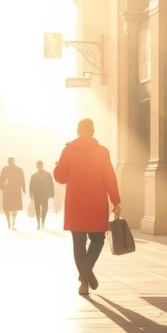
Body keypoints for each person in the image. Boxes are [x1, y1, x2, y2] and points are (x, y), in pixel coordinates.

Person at [54, 118, 121, 296]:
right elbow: (109, 178)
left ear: (78, 131)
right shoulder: (102, 152)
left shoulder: (68, 151)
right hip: (96, 201)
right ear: (92, 131)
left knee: (78, 241)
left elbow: (60, 178)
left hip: (75, 202)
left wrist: (57, 167)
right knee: (98, 239)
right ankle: (86, 275)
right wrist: (116, 200)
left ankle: (85, 279)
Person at [0, 157, 26, 229]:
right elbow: (22, 180)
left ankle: (8, 222)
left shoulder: (5, 169)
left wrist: (1, 186)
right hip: (16, 190)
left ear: (8, 162)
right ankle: (13, 219)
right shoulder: (19, 170)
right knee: (15, 206)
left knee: (7, 207)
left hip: (7, 190)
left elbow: (2, 179)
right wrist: (23, 188)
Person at [29, 160, 54, 229]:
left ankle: (39, 222)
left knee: (38, 209)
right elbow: (51, 184)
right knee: (44, 209)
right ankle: (41, 222)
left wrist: (31, 195)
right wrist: (52, 194)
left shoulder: (34, 176)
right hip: (44, 194)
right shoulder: (47, 174)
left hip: (37, 194)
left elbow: (31, 186)